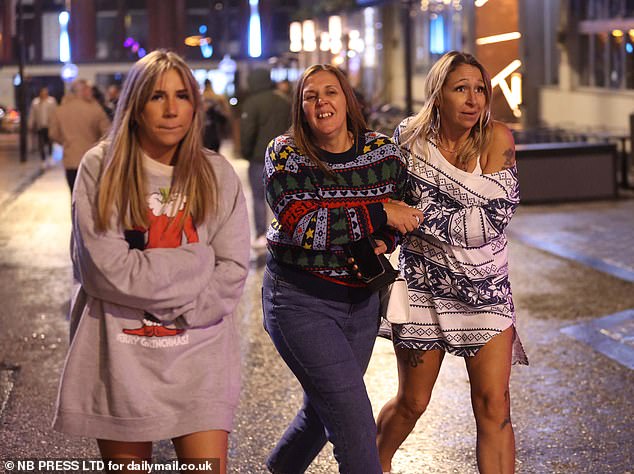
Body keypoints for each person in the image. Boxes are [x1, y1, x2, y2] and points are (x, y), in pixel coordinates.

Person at [52, 50, 250, 474]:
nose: (173, 109)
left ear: (196, 106)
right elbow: (104, 271)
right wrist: (197, 260)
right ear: (135, 106)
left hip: (201, 356)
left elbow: (232, 269)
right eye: (158, 96)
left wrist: (185, 309)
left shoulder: (217, 173)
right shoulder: (101, 167)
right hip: (122, 362)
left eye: (183, 96)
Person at [262, 64, 424, 474]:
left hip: (361, 304)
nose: (322, 102)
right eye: (310, 95)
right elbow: (306, 226)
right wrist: (379, 211)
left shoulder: (382, 153)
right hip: (299, 302)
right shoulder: (285, 154)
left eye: (330, 92)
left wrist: (388, 238)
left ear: (347, 100)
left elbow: (408, 212)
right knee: (355, 429)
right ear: (300, 107)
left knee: (319, 417)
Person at [376, 51, 528, 474]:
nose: (473, 99)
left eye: (480, 89)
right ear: (438, 93)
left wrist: (417, 215)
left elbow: (489, 224)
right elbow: (388, 203)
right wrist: (401, 214)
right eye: (461, 88)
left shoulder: (498, 138)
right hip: (422, 287)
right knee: (411, 403)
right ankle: (371, 464)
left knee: (493, 406)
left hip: (485, 293)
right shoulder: (407, 137)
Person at [240, 68, 291, 250]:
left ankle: (261, 234)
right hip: (283, 158)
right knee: (284, 196)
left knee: (258, 197)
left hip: (258, 157)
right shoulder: (283, 101)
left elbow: (247, 132)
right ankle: (285, 231)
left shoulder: (252, 103)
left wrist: (246, 152)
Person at [49, 78, 111, 193]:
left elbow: (53, 133)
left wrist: (66, 142)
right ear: (83, 91)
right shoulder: (95, 109)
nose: (91, 92)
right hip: (92, 159)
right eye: (89, 89)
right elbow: (107, 133)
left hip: (70, 159)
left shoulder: (60, 110)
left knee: (74, 195)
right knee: (92, 197)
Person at [27, 86, 57, 168]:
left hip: (49, 126)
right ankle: (43, 159)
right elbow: (32, 114)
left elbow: (55, 113)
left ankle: (50, 157)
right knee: (41, 144)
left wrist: (55, 124)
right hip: (40, 126)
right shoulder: (35, 102)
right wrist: (30, 124)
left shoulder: (51, 101)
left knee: (50, 142)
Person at [201, 79, 231, 152]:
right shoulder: (218, 98)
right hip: (216, 129)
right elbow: (226, 113)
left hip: (205, 130)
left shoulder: (201, 98)